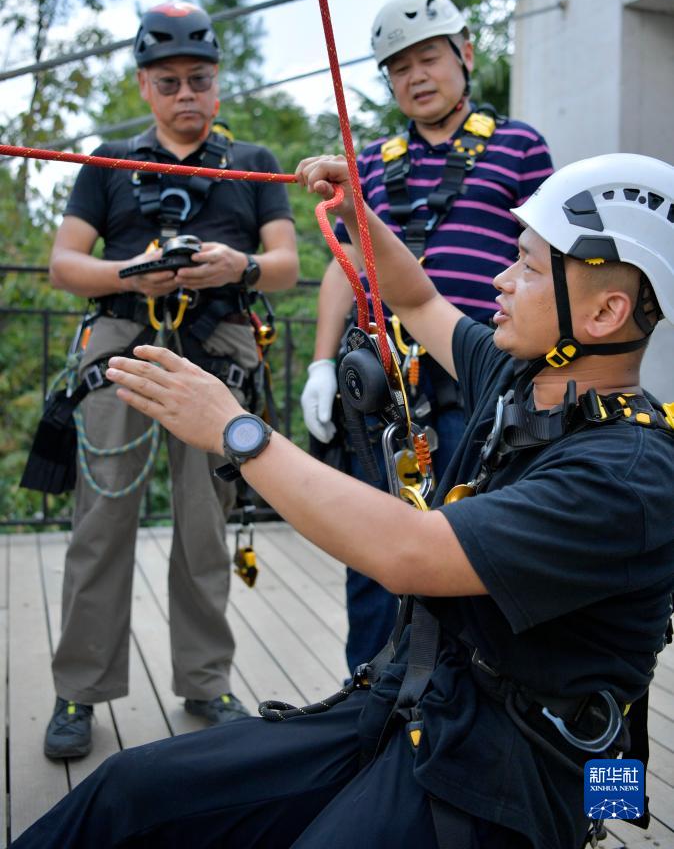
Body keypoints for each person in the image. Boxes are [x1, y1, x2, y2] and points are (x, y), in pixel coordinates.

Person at [15, 151, 674, 849]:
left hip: (509, 768)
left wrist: (238, 433)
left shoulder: (623, 473)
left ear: (605, 312)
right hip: (421, 703)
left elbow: (409, 553)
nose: (500, 279)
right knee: (131, 792)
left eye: (529, 268)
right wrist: (360, 214)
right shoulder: (525, 383)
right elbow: (418, 300)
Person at [42, 1, 299, 760]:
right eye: (169, 83)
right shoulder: (108, 161)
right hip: (123, 342)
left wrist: (238, 264)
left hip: (217, 349)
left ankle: (205, 678)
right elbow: (65, 265)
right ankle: (79, 689)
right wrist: (132, 273)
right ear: (144, 87)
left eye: (199, 80)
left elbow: (284, 263)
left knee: (202, 522)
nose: (185, 95)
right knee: (101, 522)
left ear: (218, 85)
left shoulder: (252, 164)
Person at [301, 0, 554, 672]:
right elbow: (344, 264)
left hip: (475, 371)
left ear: (466, 55)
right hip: (384, 381)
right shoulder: (374, 165)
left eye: (429, 58)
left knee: (473, 541)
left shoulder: (518, 147)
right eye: (398, 66)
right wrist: (321, 365)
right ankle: (370, 697)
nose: (415, 76)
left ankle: (463, 697)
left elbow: (547, 258)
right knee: (372, 544)